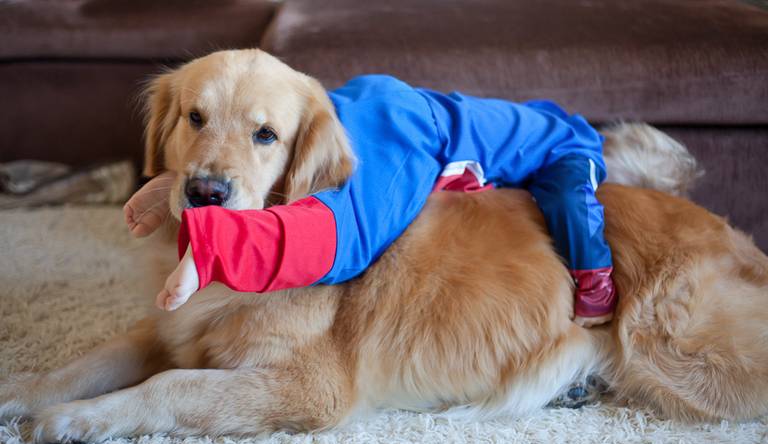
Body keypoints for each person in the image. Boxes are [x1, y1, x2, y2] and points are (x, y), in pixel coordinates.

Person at [125, 76, 618, 326]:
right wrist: (593, 282)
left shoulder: (535, 121)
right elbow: (577, 207)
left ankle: (179, 185)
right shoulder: (578, 151)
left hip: (374, 101)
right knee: (347, 238)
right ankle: (223, 246)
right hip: (418, 131)